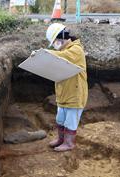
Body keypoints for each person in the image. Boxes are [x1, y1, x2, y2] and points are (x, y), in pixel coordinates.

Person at [45, 23, 88, 152]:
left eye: (55, 41)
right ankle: (61, 139)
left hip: (75, 94)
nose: (55, 44)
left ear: (62, 36)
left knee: (70, 121)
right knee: (61, 119)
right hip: (63, 94)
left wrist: (45, 53)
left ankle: (69, 143)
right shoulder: (63, 51)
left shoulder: (76, 50)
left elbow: (64, 57)